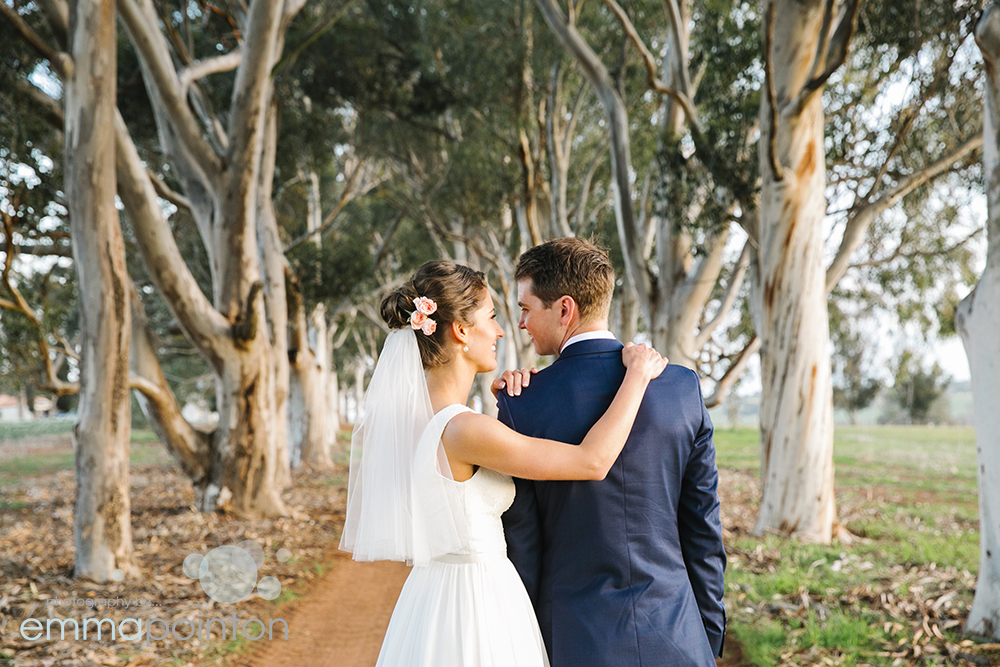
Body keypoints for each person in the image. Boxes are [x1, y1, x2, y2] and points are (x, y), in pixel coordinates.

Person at [338, 259, 668, 667]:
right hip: (476, 602)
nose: (499, 330)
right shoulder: (463, 430)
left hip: (430, 595)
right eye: (491, 317)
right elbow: (592, 461)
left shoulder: (413, 420)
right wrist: (637, 375)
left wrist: (503, 408)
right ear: (460, 331)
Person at [497, 237, 727, 666]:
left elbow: (523, 546)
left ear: (565, 309)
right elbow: (702, 532)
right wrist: (707, 637)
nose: (522, 323)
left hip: (573, 640)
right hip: (678, 635)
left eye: (526, 309)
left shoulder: (522, 402)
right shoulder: (681, 389)